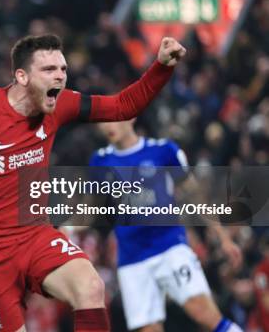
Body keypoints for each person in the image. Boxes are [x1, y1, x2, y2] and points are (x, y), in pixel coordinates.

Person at [0, 33, 186, 332]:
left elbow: (122, 106)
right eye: (49, 70)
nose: (60, 77)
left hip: (35, 236)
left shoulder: (60, 104)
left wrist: (161, 67)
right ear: (22, 76)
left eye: (63, 69)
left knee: (90, 285)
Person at [90, 119, 243, 332]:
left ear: (132, 116)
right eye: (102, 120)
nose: (107, 126)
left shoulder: (163, 151)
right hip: (132, 257)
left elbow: (195, 196)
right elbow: (91, 207)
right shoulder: (99, 162)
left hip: (169, 246)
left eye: (113, 117)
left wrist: (223, 238)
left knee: (204, 314)